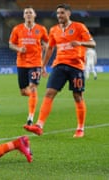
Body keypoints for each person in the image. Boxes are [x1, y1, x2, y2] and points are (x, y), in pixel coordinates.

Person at [24, 4, 96, 138]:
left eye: (62, 13)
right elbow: (50, 48)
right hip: (59, 65)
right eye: (57, 13)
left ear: (68, 13)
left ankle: (80, 128)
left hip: (76, 66)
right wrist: (43, 65)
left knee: (77, 96)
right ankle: (39, 125)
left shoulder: (79, 27)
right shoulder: (54, 30)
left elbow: (93, 43)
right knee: (49, 92)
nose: (59, 16)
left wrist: (80, 43)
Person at [9, 6, 49, 125]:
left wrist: (44, 63)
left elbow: (47, 44)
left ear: (35, 15)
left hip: (36, 63)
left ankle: (30, 118)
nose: (28, 15)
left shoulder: (41, 29)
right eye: (26, 13)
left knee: (33, 87)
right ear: (23, 16)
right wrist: (19, 48)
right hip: (21, 62)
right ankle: (34, 98)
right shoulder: (17, 29)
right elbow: (11, 44)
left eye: (30, 13)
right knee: (23, 91)